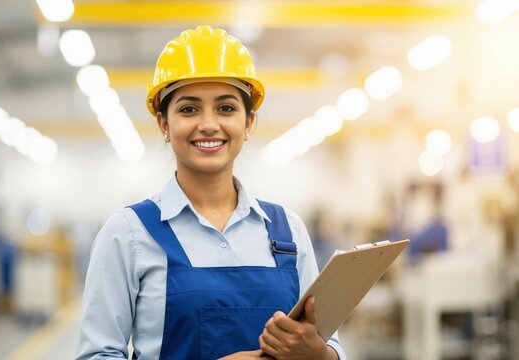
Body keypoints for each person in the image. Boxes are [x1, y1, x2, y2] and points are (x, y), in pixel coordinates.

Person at [75, 25, 346, 359]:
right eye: (188, 109)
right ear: (163, 124)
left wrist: (320, 355)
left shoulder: (288, 231)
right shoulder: (129, 234)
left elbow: (330, 343)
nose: (208, 124)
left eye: (226, 108)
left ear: (248, 123)